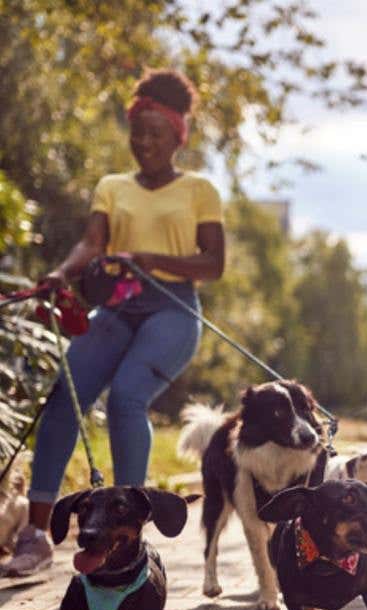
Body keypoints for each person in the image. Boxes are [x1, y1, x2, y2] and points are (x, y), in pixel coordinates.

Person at [3, 69, 225, 577]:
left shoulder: (199, 190)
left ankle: (129, 540)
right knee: (65, 396)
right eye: (137, 132)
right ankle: (35, 535)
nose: (144, 142)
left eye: (156, 133)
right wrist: (60, 274)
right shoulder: (113, 186)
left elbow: (213, 264)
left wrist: (151, 258)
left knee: (127, 398)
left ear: (177, 137)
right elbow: (91, 245)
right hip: (117, 308)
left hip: (173, 308)